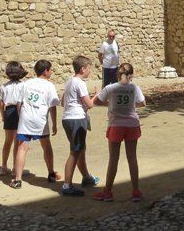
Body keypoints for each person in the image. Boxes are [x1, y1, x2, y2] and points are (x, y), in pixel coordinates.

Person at [92, 63, 146, 202]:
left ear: (117, 74)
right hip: (132, 124)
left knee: (113, 159)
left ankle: (108, 192)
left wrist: (109, 102)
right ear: (131, 75)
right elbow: (142, 103)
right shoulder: (134, 87)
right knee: (132, 158)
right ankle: (135, 191)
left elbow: (98, 101)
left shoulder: (110, 88)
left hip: (116, 125)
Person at [11, 59, 61, 189]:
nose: (51, 72)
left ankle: (17, 180)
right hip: (40, 119)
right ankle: (51, 173)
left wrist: (21, 116)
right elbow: (53, 106)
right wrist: (54, 123)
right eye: (50, 70)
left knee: (22, 148)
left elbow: (19, 103)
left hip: (26, 118)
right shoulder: (49, 86)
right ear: (46, 71)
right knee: (46, 146)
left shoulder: (26, 83)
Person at [60, 55, 100, 196]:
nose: (90, 71)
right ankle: (67, 185)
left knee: (80, 149)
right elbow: (89, 105)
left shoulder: (69, 81)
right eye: (89, 68)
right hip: (77, 119)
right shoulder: (80, 83)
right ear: (83, 69)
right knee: (75, 152)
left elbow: (63, 101)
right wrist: (96, 95)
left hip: (67, 118)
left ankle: (86, 177)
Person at [0, 61, 27, 176]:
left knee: (7, 141)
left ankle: (3, 166)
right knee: (17, 142)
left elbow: (1, 104)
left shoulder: (4, 87)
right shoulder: (23, 85)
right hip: (19, 111)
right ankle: (15, 168)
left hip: (9, 111)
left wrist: (3, 116)